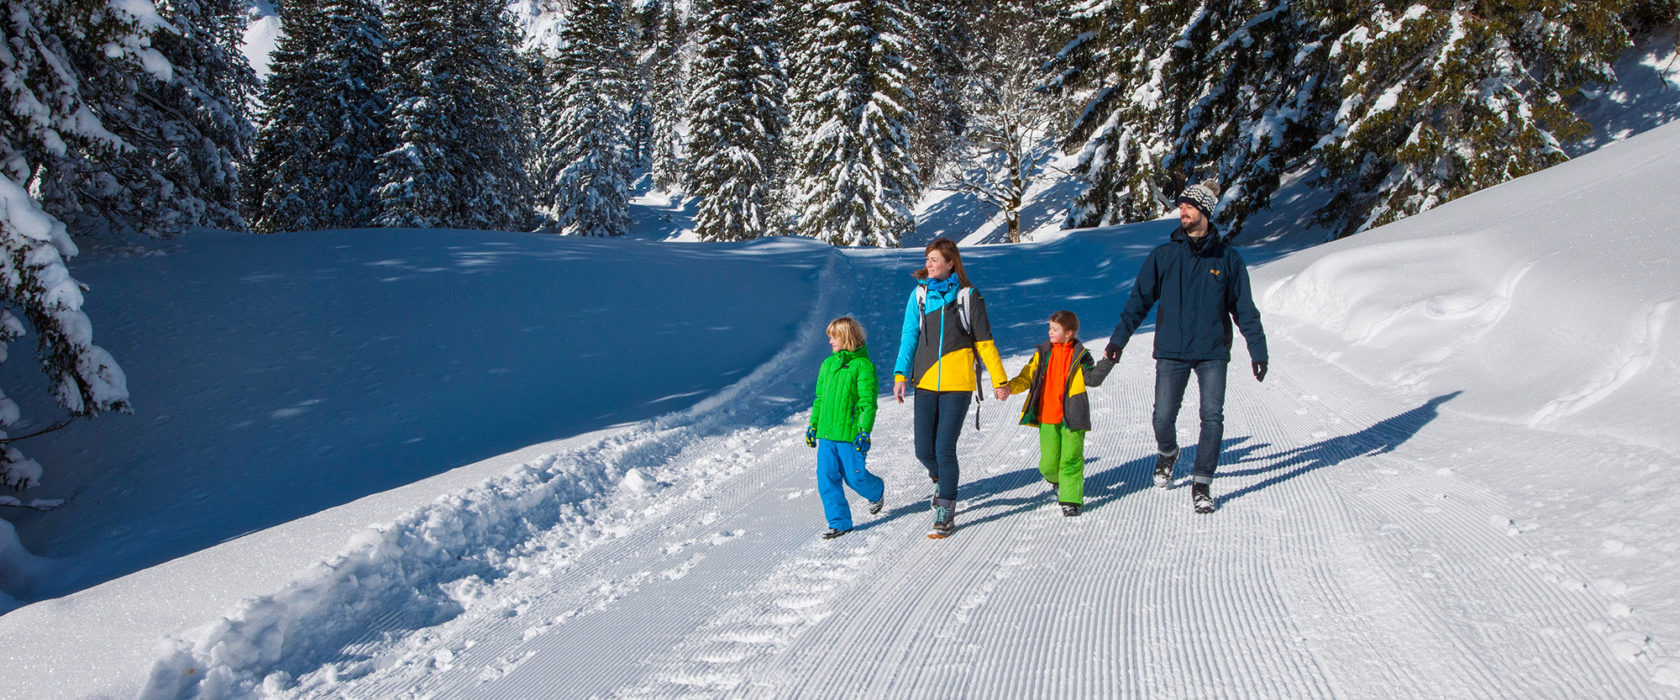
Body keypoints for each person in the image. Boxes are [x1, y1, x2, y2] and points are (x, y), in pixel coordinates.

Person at [1104, 178, 1268, 514]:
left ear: (1206, 212)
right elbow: (1138, 302)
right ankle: (1168, 453)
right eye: (1181, 206)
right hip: (1171, 350)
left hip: (1212, 353)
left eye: (1190, 206)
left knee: (1212, 417)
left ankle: (1202, 481)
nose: (1183, 211)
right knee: (1162, 417)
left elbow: (1245, 310)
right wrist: (1118, 340)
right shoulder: (1164, 256)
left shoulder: (1229, 260)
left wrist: (1258, 349)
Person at [892, 238, 1009, 538]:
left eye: (934, 259)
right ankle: (941, 481)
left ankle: (945, 512)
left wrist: (1000, 380)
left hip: (958, 384)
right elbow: (909, 336)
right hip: (926, 382)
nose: (928, 264)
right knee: (923, 450)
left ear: (950, 263)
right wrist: (900, 375)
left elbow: (985, 342)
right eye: (927, 259)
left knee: (945, 448)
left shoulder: (969, 296)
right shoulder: (919, 295)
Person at [1004, 310, 1115, 516]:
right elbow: (1027, 376)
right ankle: (1056, 481)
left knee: (1071, 458)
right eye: (1049, 328)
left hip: (1073, 416)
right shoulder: (1043, 353)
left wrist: (1108, 362)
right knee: (1048, 464)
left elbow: (1092, 379)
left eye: (1055, 329)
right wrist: (1010, 388)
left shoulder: (1080, 355)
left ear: (1068, 333)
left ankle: (1071, 499)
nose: (1049, 332)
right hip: (1047, 416)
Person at [806, 317, 885, 539]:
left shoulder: (863, 366)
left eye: (835, 336)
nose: (830, 341)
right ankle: (839, 523)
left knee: (855, 477)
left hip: (850, 435)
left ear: (847, 337)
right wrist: (813, 425)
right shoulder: (827, 365)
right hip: (827, 434)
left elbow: (867, 403)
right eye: (829, 336)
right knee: (826, 479)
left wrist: (863, 430)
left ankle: (876, 491)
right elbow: (820, 399)